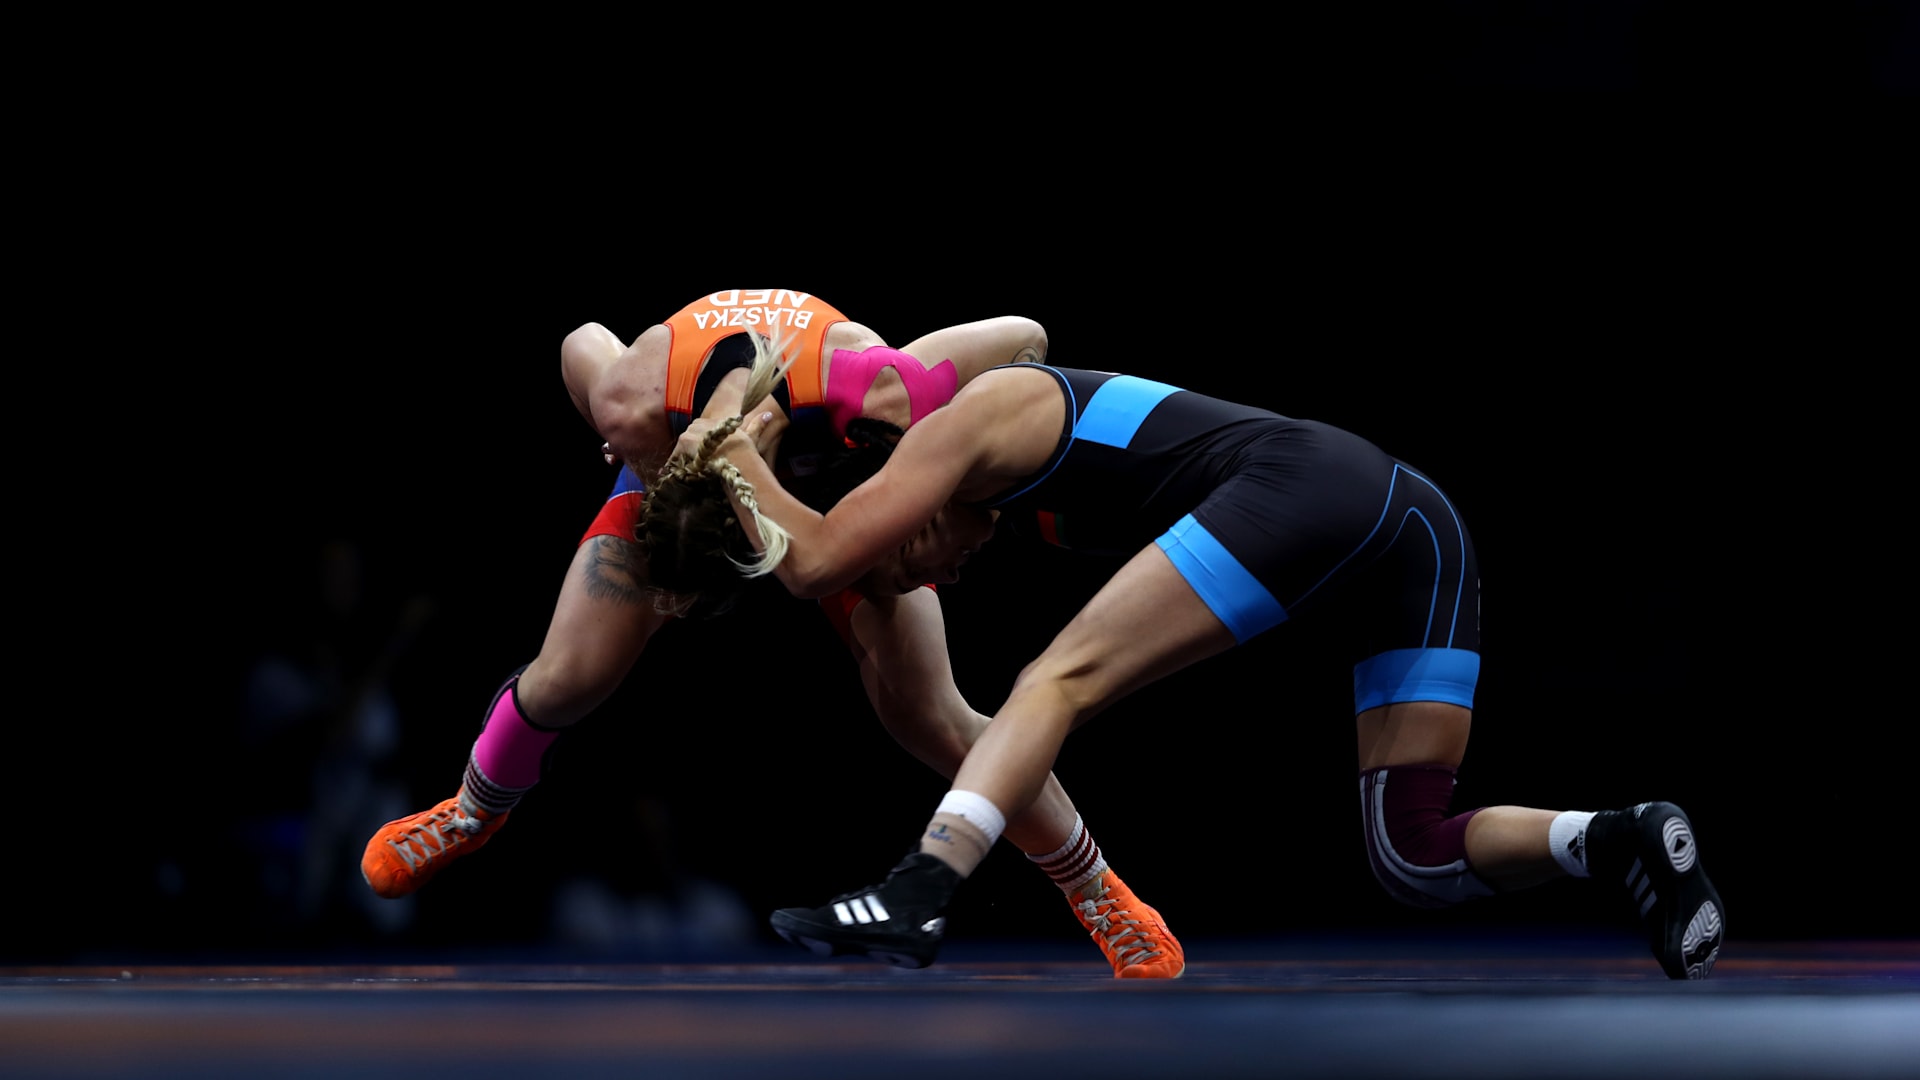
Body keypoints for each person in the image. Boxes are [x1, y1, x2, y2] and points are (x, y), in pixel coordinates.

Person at [665, 342, 1727, 980]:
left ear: (897, 486)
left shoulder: (967, 419)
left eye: (910, 554)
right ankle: (1621, 833)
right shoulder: (1026, 485)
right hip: (1417, 524)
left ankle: (920, 886)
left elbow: (815, 566)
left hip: (1312, 480)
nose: (939, 572)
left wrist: (731, 430)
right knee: (1414, 855)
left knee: (1051, 683)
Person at [358, 290, 1184, 978]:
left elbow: (1026, 334)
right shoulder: (636, 411)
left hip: (827, 475)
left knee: (931, 715)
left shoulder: (884, 393)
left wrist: (967, 460)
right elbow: (583, 340)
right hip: (688, 466)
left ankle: (1099, 892)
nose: (964, 564)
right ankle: (472, 810)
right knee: (568, 675)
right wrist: (622, 429)